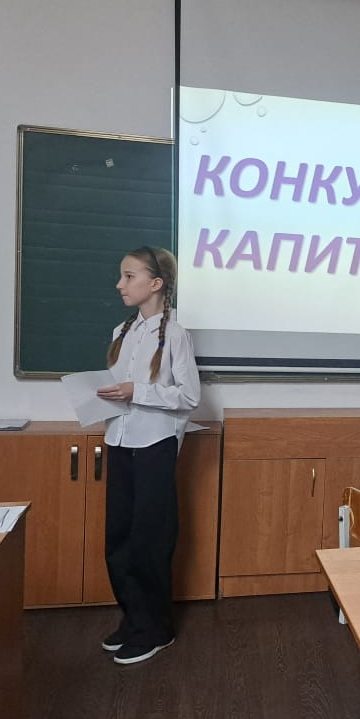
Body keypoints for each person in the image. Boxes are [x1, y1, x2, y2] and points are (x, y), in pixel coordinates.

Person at [97, 246, 200, 665]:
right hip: (118, 441)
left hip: (154, 445)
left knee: (149, 540)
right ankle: (134, 619)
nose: (119, 285)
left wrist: (136, 391)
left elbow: (189, 396)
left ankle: (156, 629)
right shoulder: (120, 332)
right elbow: (116, 387)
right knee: (118, 538)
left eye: (129, 276)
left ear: (155, 284)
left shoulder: (175, 334)